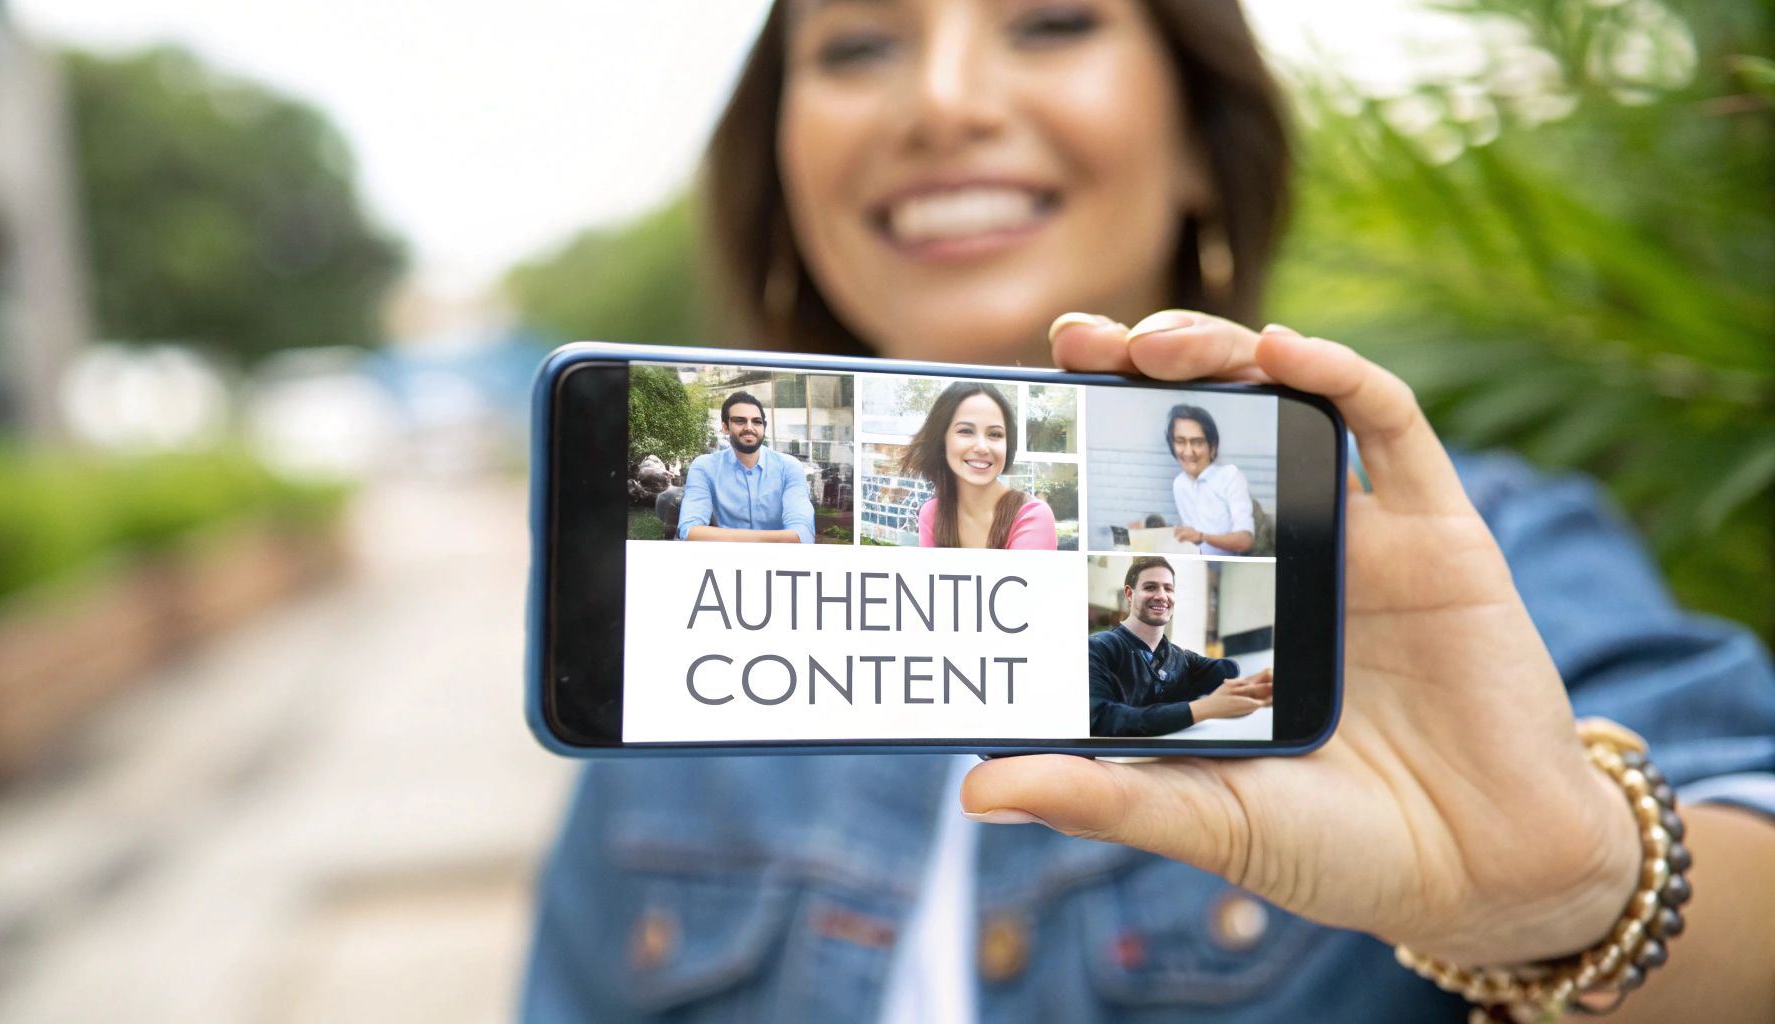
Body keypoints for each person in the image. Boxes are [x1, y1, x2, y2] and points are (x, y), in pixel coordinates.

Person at [526, 1, 1775, 1021]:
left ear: (1195, 136)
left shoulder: (1443, 567)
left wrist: (1569, 890)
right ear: (782, 165)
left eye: (1053, 22)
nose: (943, 99)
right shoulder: (673, 687)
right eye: (856, 45)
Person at [1088, 556, 1271, 736]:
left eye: (1168, 588)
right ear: (1129, 594)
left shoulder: (1180, 658)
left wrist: (1257, 684)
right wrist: (1205, 708)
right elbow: (1102, 719)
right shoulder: (1097, 648)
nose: (1161, 596)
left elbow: (1226, 671)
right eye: (1150, 587)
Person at [899, 381, 1056, 549]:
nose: (982, 447)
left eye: (995, 434)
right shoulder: (932, 514)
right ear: (942, 440)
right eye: (966, 431)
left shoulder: (1032, 516)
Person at [676, 391, 815, 544]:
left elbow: (803, 535)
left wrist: (718, 536)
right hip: (726, 564)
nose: (749, 428)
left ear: (763, 427)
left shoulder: (788, 467)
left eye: (757, 422)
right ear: (725, 427)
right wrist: (778, 538)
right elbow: (689, 531)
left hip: (779, 564)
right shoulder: (705, 467)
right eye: (740, 421)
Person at [1166, 403, 1256, 554]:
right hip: (1198, 568)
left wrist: (1202, 536)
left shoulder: (1231, 476)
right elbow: (1191, 540)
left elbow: (1245, 540)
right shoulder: (1179, 484)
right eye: (1180, 441)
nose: (1188, 452)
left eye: (1197, 442)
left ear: (1212, 446)